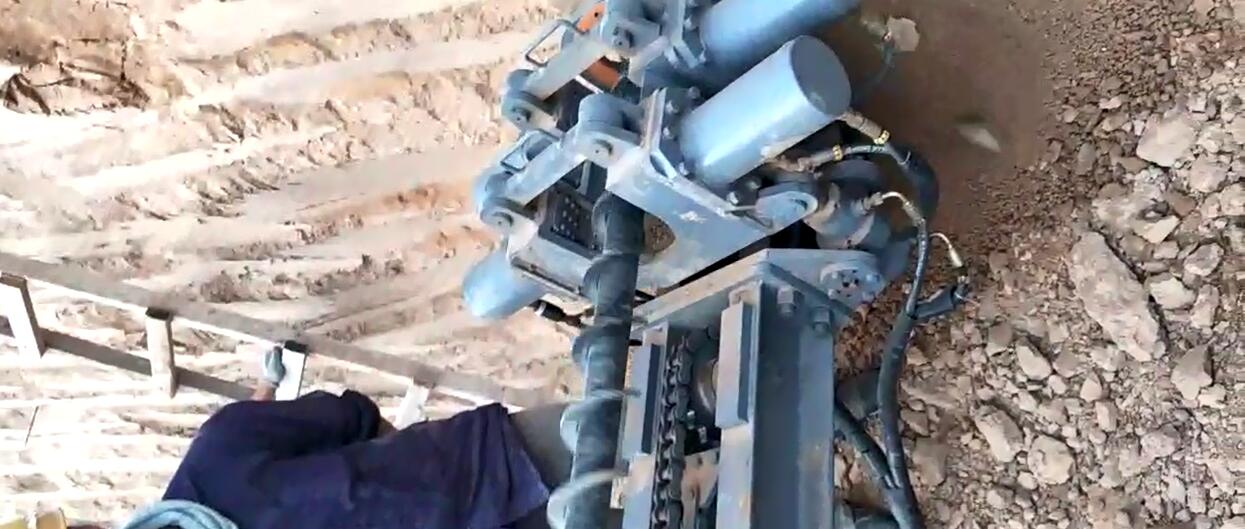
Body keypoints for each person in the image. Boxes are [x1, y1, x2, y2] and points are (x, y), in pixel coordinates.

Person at [121, 348, 561, 529]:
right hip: (477, 473)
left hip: (497, 472)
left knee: (599, 434)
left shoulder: (219, 455)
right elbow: (353, 419)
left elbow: (352, 417)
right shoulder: (217, 454)